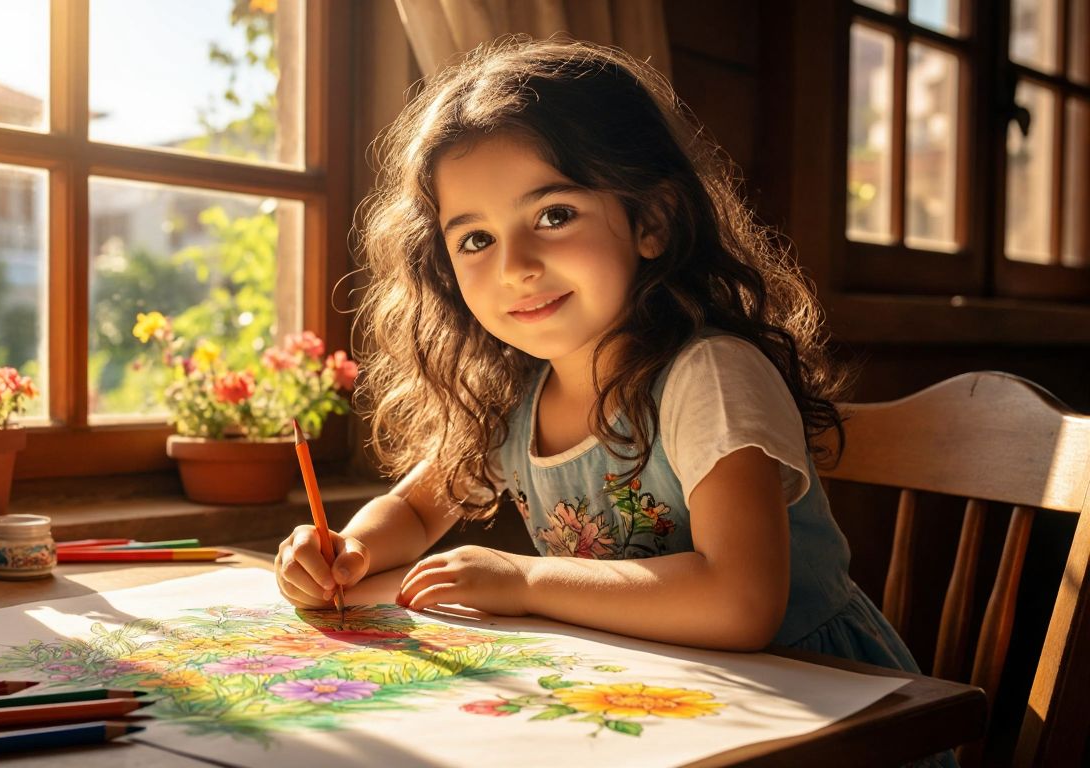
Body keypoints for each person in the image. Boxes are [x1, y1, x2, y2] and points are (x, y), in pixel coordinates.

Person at [274, 38, 919, 675]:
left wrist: (526, 580)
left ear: (653, 220)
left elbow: (740, 603)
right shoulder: (512, 394)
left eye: (554, 215)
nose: (516, 266)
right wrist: (347, 548)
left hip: (823, 700)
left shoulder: (711, 378)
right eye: (476, 238)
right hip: (663, 690)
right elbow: (416, 510)